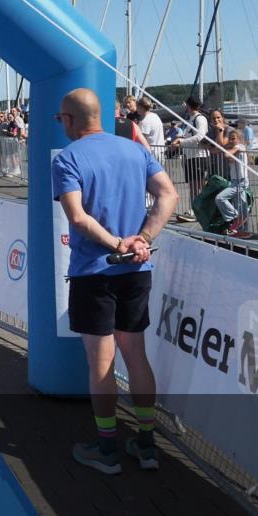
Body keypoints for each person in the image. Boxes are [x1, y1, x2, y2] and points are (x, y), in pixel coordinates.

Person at [51, 88, 178, 475]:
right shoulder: (134, 149)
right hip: (136, 271)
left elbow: (78, 219)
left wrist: (119, 244)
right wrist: (143, 240)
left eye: (61, 119)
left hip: (97, 271)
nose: (62, 125)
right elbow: (168, 196)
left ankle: (106, 449)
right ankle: (146, 444)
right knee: (135, 355)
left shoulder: (69, 158)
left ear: (70, 120)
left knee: (101, 363)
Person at [170, 96, 209, 222]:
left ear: (188, 105)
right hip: (190, 157)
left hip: (200, 156)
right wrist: (178, 139)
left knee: (199, 185)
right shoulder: (190, 119)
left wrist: (181, 142)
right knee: (193, 186)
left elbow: (200, 136)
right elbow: (186, 134)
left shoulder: (200, 119)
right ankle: (194, 208)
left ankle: (200, 210)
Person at [215, 127, 252, 238]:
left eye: (233, 138)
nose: (231, 141)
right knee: (241, 206)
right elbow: (216, 148)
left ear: (239, 139)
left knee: (220, 198)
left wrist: (226, 149)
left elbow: (227, 155)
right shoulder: (233, 148)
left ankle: (236, 217)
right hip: (235, 181)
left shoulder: (239, 146)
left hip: (241, 181)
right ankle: (242, 230)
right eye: (230, 139)